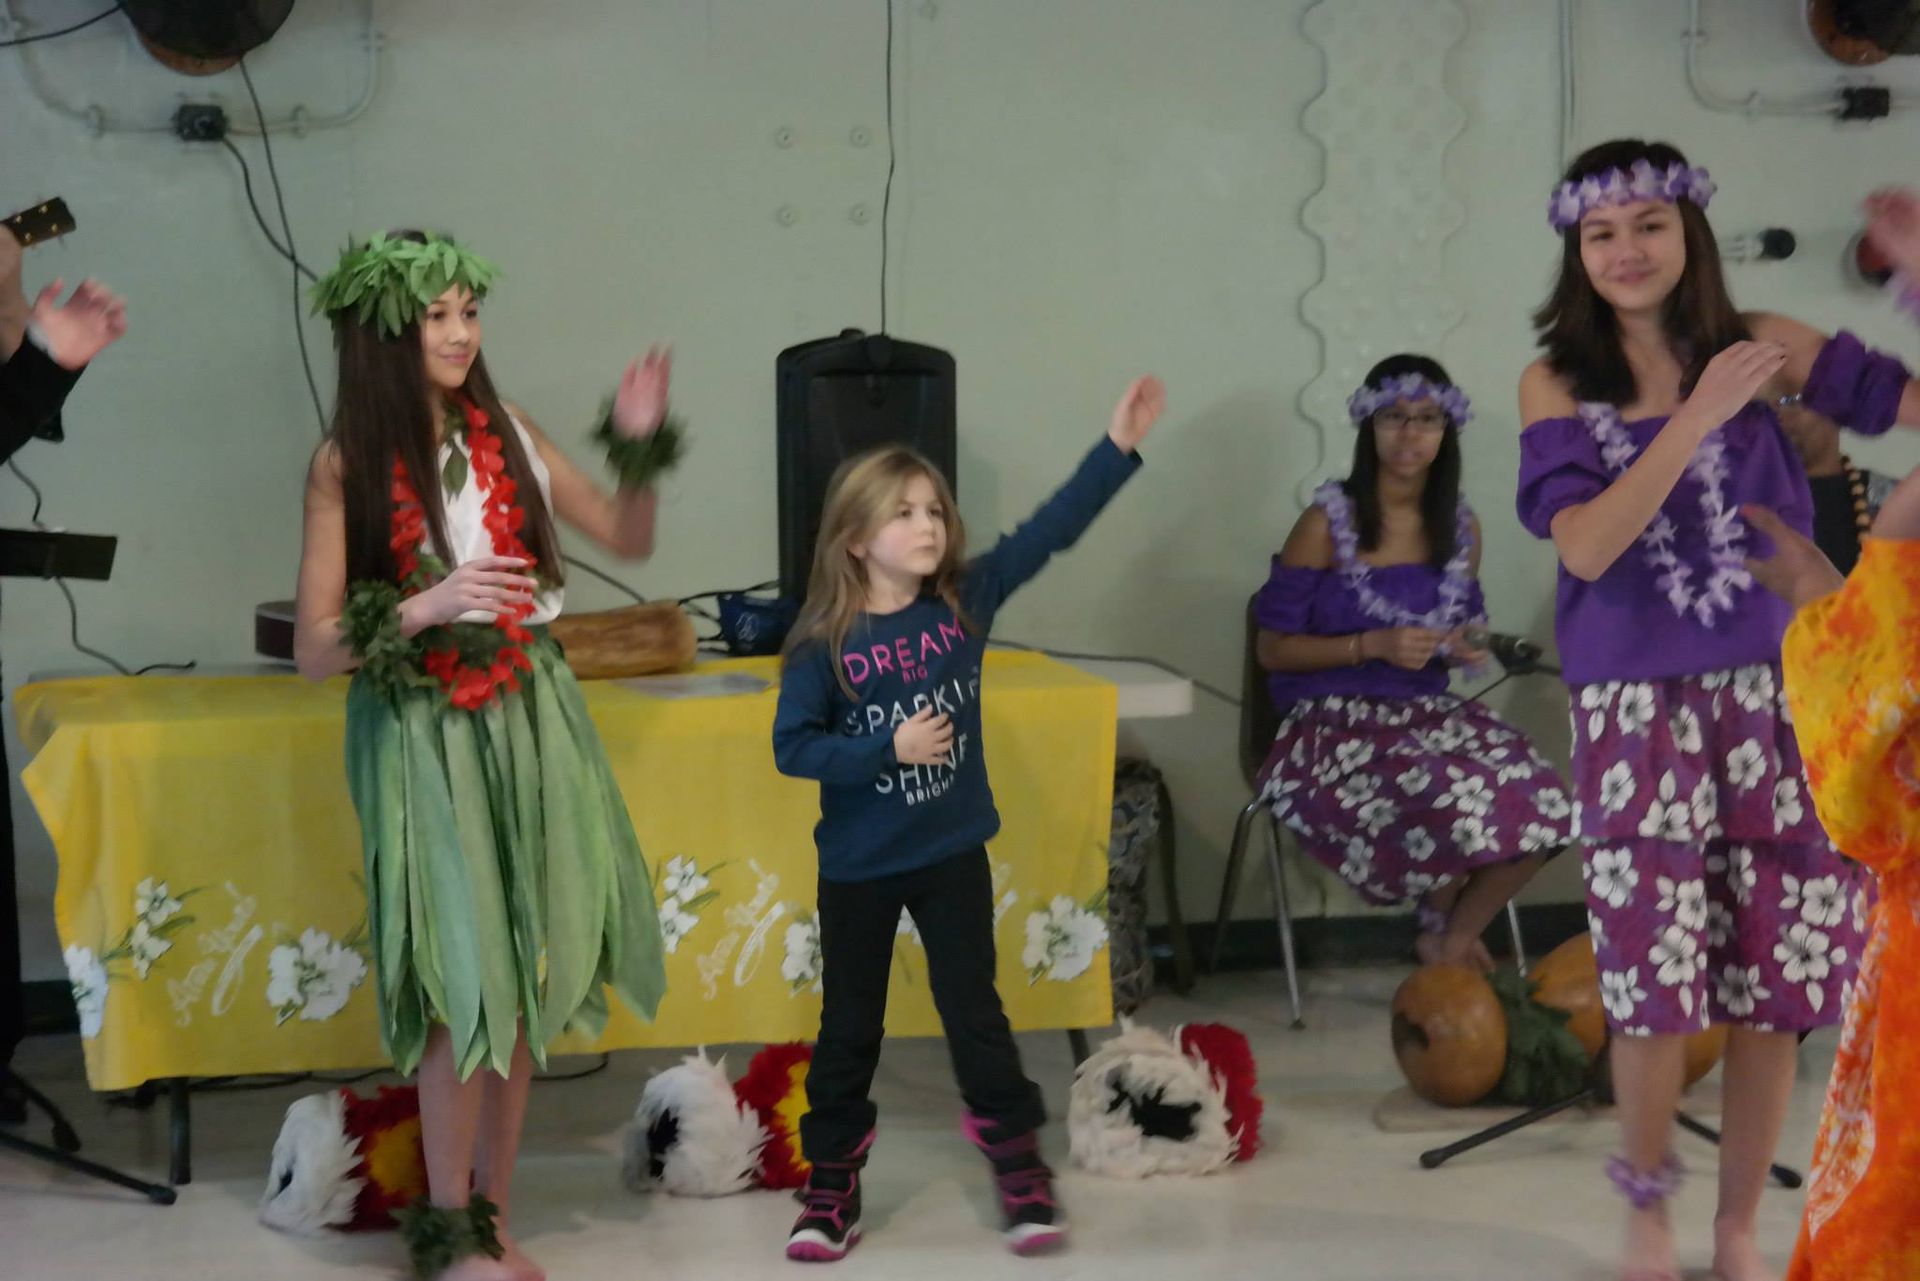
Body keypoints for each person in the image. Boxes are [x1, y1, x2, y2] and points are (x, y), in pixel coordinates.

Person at [1516, 139, 1920, 1281]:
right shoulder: (1555, 383)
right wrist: (1695, 419)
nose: (1626, 250)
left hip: (1773, 699)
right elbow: (1588, 543)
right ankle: (1645, 1206)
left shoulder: (1774, 348)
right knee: (1650, 978)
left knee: (1777, 978)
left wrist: (1914, 279)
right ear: (1577, 252)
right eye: (1601, 234)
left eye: (1648, 224)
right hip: (1631, 709)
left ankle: (1739, 1223)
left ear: (1688, 228)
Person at [292, 230, 673, 1281]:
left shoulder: (507, 430)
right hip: (421, 724)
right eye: (437, 317)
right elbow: (314, 651)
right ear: (385, 334)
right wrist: (432, 603)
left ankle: (492, 1226)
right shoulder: (347, 465)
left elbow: (626, 537)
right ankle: (452, 1237)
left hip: (530, 707)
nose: (462, 334)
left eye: (470, 313)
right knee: (465, 986)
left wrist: (638, 443)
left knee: (517, 978)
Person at [771, 374, 1164, 1261]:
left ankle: (1019, 1161)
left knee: (975, 1013)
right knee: (848, 1027)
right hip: (859, 868)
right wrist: (884, 751)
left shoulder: (963, 602)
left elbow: (1049, 534)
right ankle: (831, 1178)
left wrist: (1117, 448)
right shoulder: (820, 641)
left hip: (949, 854)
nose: (928, 526)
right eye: (905, 513)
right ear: (857, 537)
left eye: (936, 512)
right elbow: (793, 747)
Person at [1253, 354, 1570, 972]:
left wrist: (1465, 643)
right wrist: (1370, 645)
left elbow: (1463, 624)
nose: (1410, 434)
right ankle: (1443, 939)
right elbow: (1271, 649)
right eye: (1394, 417)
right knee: (1450, 792)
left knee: (1546, 801)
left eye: (1427, 420)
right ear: (1368, 426)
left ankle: (1448, 941)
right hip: (1332, 726)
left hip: (1427, 715)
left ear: (1447, 431)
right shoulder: (1325, 522)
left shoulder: (1461, 529)